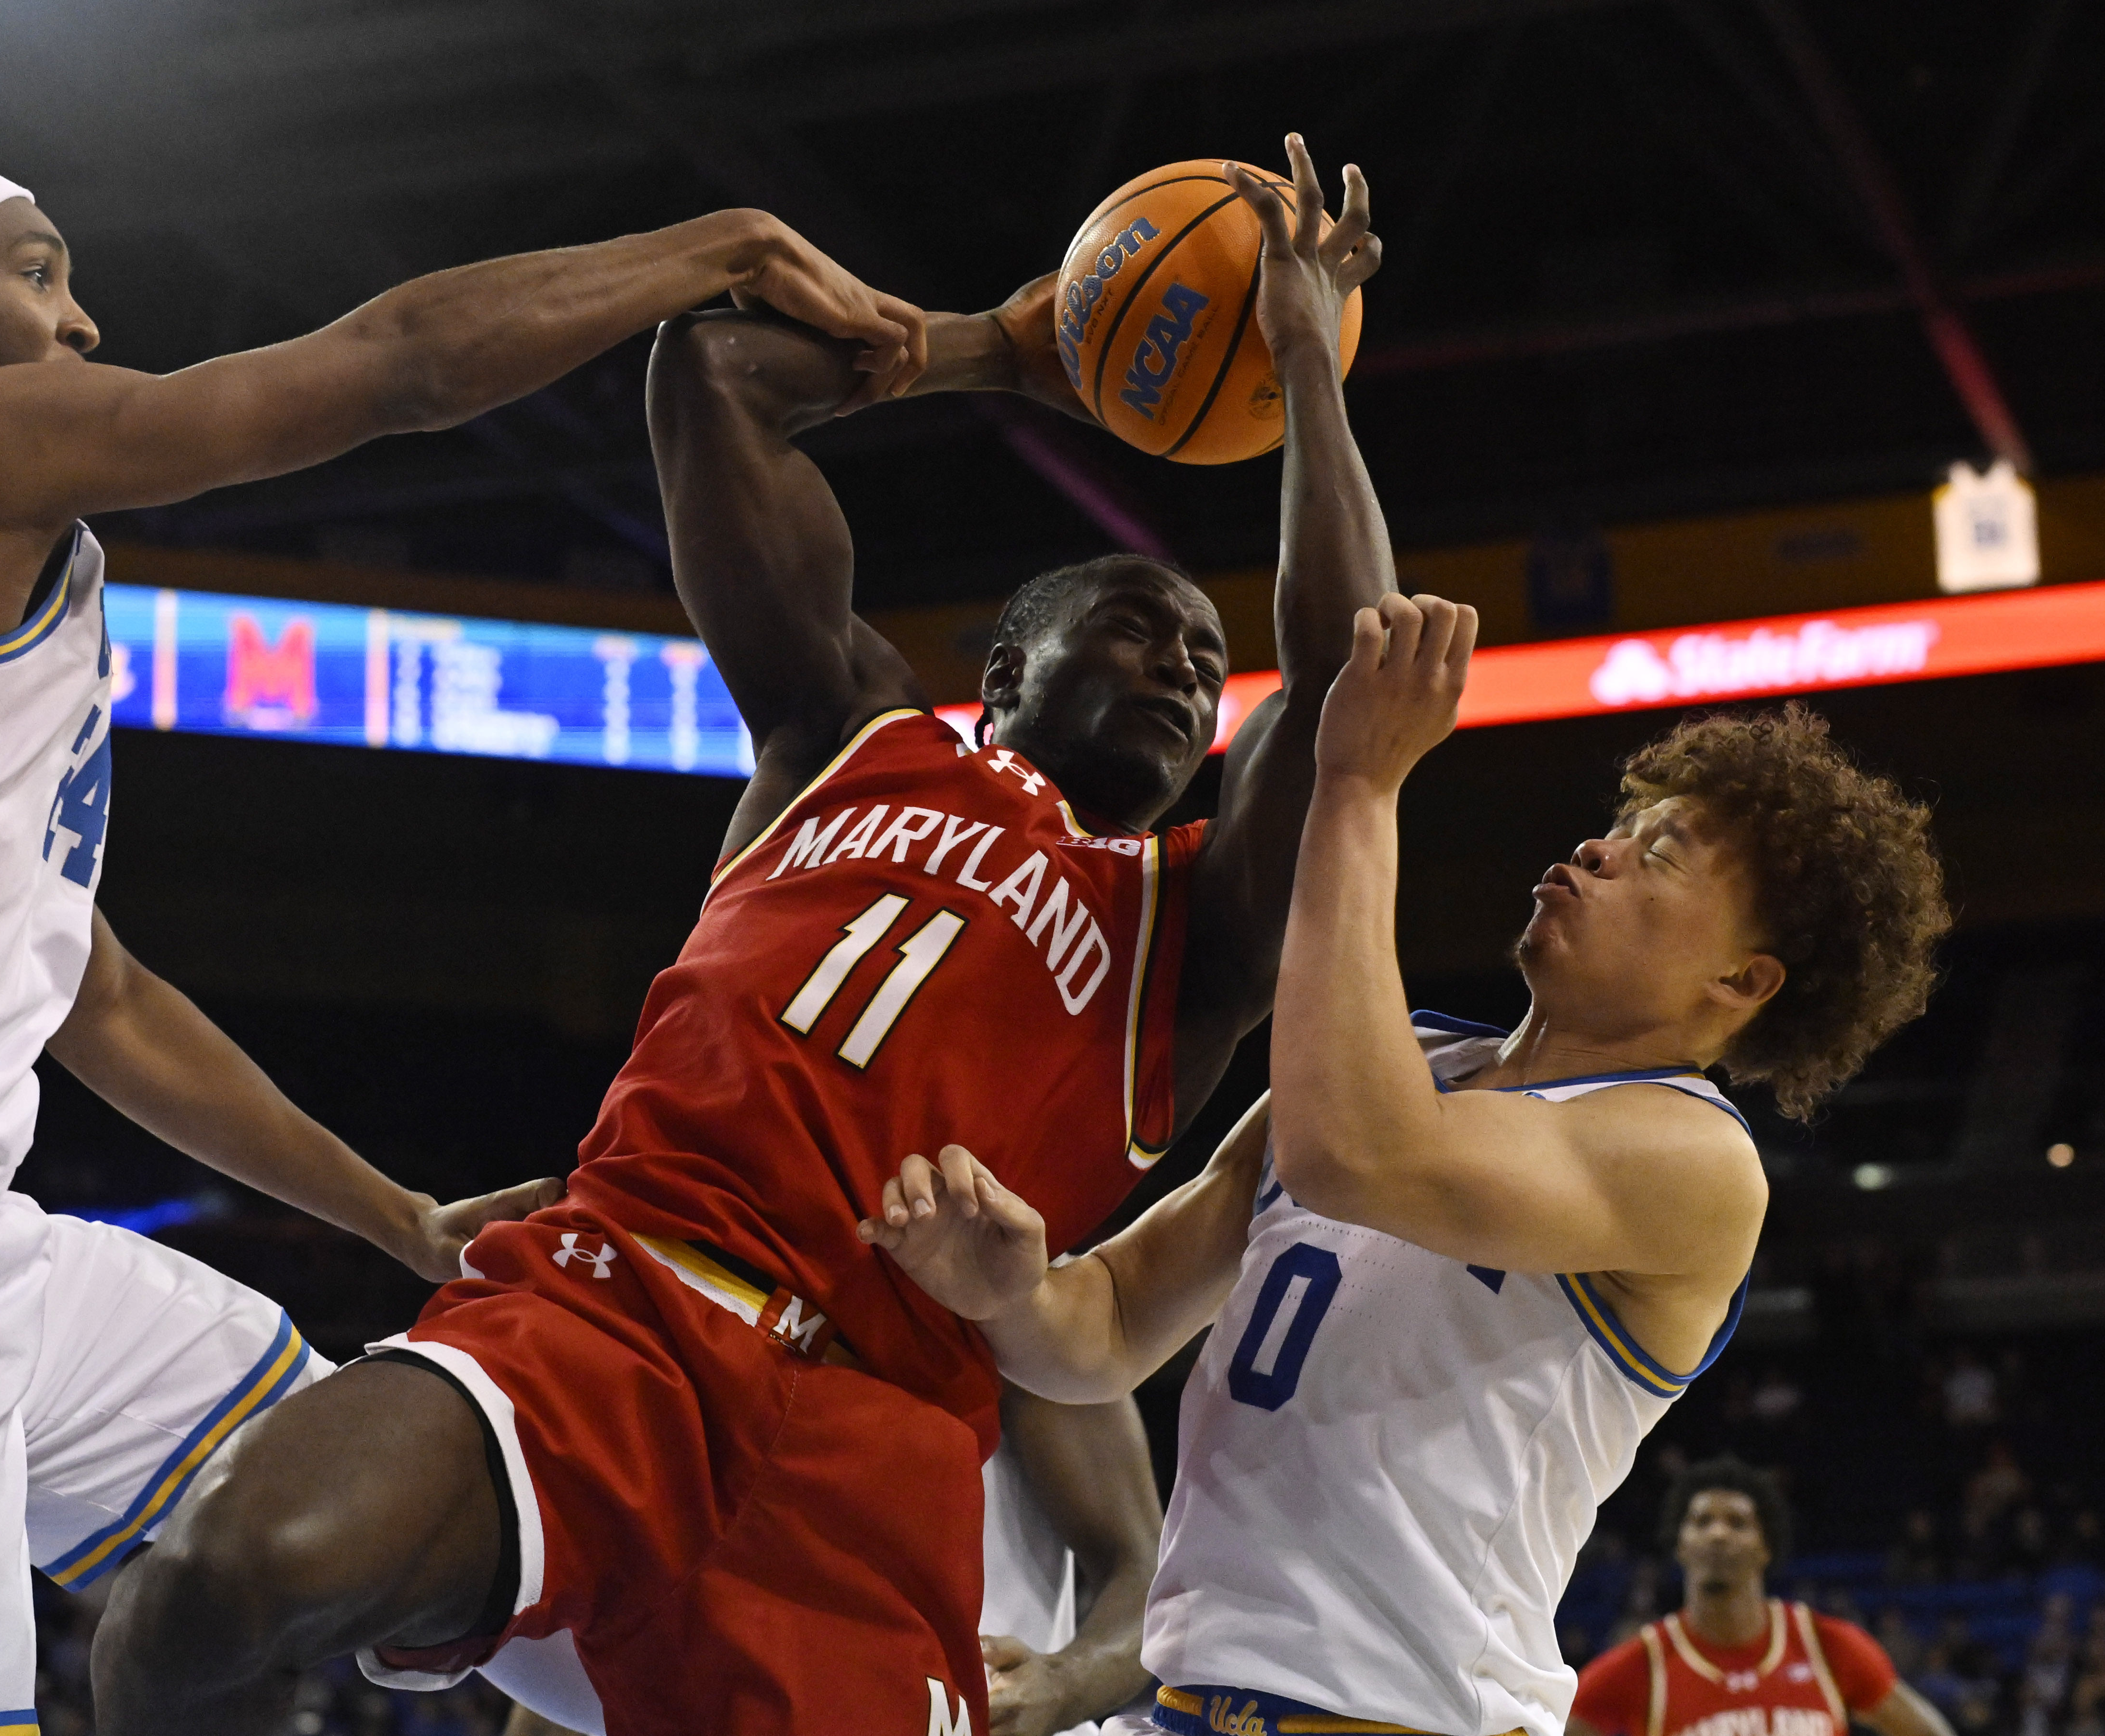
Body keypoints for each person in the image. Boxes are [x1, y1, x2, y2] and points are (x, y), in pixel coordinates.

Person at [0, 154, 924, 1736]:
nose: (81, 320)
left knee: (377, 1525)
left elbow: (100, 994)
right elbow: (397, 367)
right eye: (35, 272)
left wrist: (399, 1217)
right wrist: (726, 242)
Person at [94, 135, 1387, 1735]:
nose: (1183, 669)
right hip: (615, 1306)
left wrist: (1304, 361)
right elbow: (711, 375)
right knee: (212, 1591)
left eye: (1202, 660)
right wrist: (988, 350)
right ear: (1004, 674)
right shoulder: (847, 730)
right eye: (1135, 629)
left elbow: (1349, 676)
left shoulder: (1196, 929)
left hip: (865, 1451)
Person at [860, 621, 1950, 1733]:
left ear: (1741, 980)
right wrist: (1011, 1290)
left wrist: (1359, 785)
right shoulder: (1404, 1065)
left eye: (1658, 853)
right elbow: (1103, 1327)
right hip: (1188, 1705)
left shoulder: (1695, 1158)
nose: (1599, 849)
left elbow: (1355, 1155)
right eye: (1619, 825)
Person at [497, 1385, 1162, 1736]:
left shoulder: (1010, 1284)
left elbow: (1145, 1573)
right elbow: (613, 1604)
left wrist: (1063, 1686)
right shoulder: (679, 1294)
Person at [1569, 1458, 1957, 1736]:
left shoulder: (1825, 1645)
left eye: (1738, 1523)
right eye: (1702, 1521)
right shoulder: (1644, 1663)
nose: (1718, 1534)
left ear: (1765, 1547)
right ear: (1681, 1545)